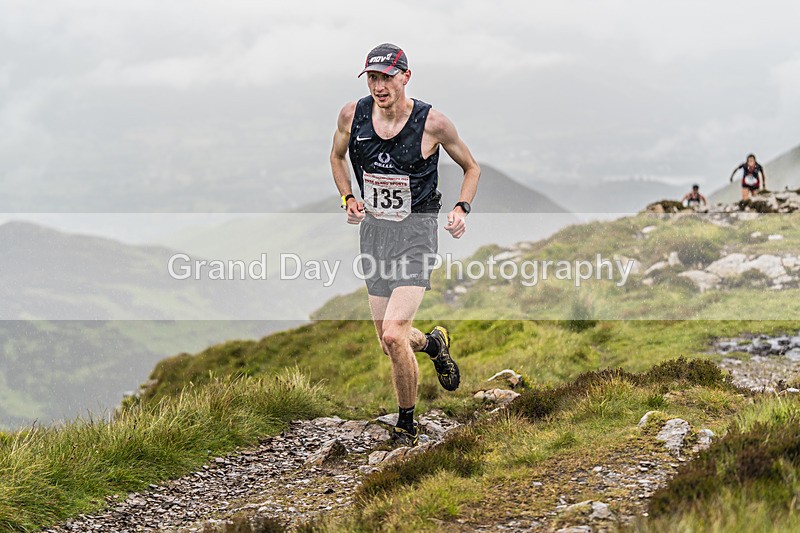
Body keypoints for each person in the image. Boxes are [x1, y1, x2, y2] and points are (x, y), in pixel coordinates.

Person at [329, 43, 481, 447]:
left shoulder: (434, 123)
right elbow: (336, 158)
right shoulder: (352, 114)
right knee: (388, 341)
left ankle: (406, 426)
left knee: (395, 335)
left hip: (416, 235)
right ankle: (433, 343)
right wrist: (348, 198)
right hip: (375, 236)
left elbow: (471, 167)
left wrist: (462, 207)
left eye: (387, 77)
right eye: (373, 78)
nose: (379, 86)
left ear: (405, 77)